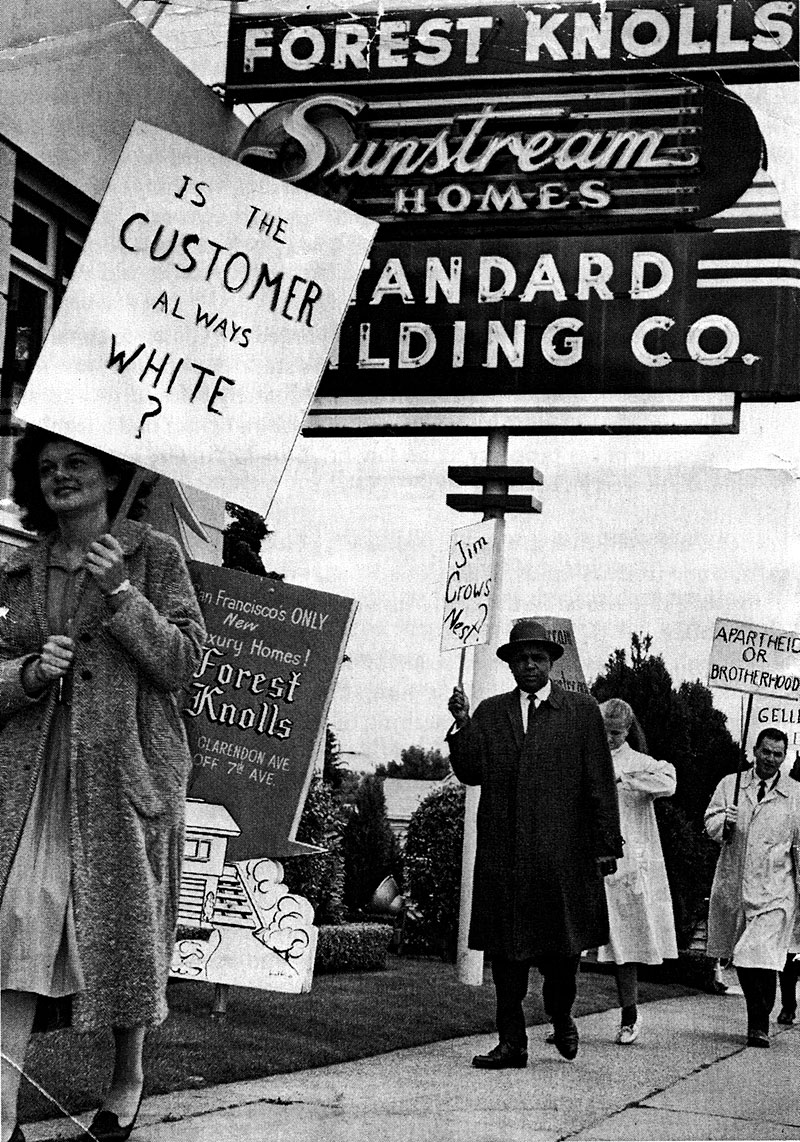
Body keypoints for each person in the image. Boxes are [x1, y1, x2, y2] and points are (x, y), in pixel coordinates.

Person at [0, 428, 206, 1142]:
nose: (61, 477)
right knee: (18, 921)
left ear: (110, 473)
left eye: (77, 464)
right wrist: (27, 672)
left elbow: (182, 665)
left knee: (124, 933)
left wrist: (122, 592)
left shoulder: (155, 556)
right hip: (31, 781)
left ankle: (128, 1075)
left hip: (122, 774)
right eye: (47, 467)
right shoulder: (18, 570)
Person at [447, 619, 623, 1069]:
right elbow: (470, 771)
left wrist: (606, 845)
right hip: (504, 857)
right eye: (521, 658)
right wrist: (462, 723)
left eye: (537, 658)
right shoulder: (490, 712)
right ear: (510, 665)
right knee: (505, 956)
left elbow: (599, 782)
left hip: (563, 855)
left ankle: (560, 1012)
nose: (529, 665)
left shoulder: (581, 712)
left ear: (550, 663)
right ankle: (512, 1043)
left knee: (563, 954)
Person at [705, 727, 800, 1048]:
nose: (771, 759)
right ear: (754, 750)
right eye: (766, 752)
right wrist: (724, 824)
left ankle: (758, 1023)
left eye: (778, 754)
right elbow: (710, 823)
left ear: (783, 757)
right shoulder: (730, 785)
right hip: (737, 886)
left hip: (777, 890)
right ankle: (760, 1013)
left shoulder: (795, 794)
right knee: (747, 956)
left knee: (754, 954)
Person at [596, 699, 678, 1045]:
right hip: (588, 858)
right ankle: (562, 1018)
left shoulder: (643, 764)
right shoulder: (586, 757)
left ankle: (629, 1015)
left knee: (625, 943)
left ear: (628, 731)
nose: (610, 739)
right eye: (605, 732)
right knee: (573, 943)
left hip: (628, 863)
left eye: (616, 733)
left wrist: (624, 777)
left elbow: (668, 781)